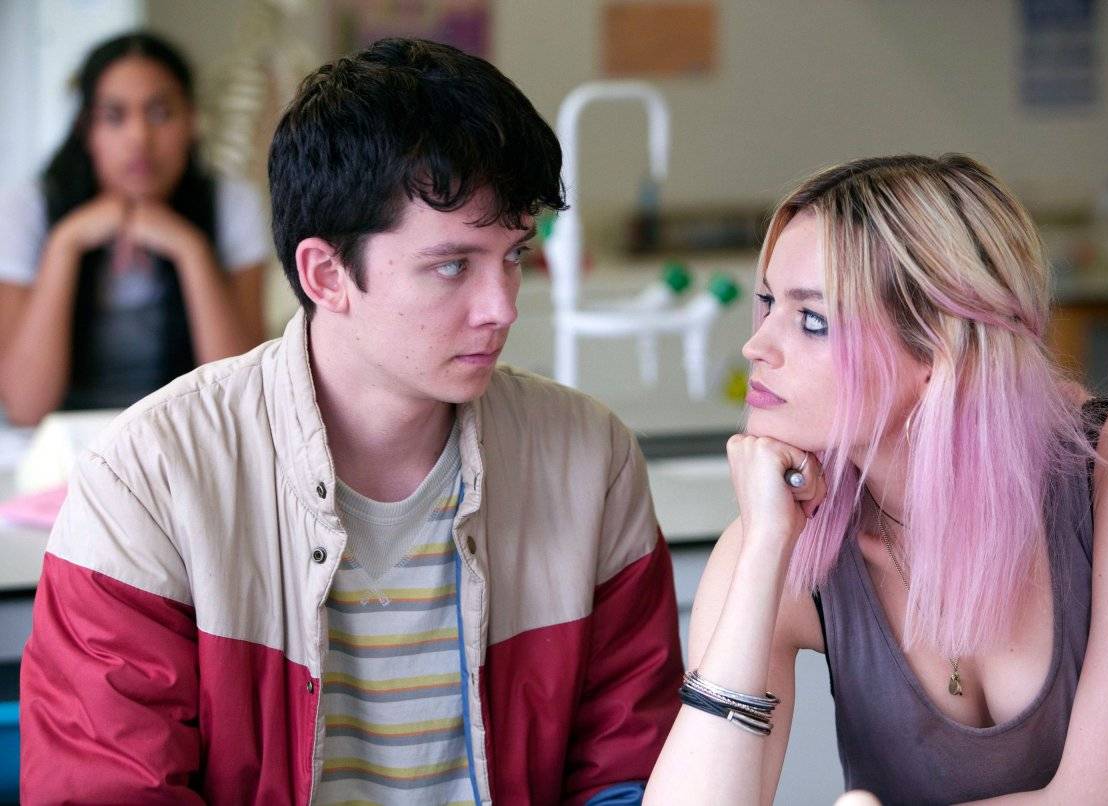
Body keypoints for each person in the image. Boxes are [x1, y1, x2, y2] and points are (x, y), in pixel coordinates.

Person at [20, 38, 682, 804]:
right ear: (325, 274)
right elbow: (105, 788)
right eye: (453, 265)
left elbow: (631, 774)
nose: (502, 307)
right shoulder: (149, 477)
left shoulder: (590, 460)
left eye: (513, 256)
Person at [645, 155, 1108, 804]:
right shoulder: (782, 538)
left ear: (937, 354)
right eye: (768, 304)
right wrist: (765, 546)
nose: (756, 346)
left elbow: (1101, 799)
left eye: (812, 319)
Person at [0, 31, 266, 425]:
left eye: (160, 113)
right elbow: (25, 408)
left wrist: (191, 250)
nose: (139, 138)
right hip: (63, 443)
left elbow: (242, 399)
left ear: (192, 121)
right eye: (114, 116)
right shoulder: (29, 208)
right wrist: (65, 244)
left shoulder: (231, 204)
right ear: (86, 130)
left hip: (184, 434)